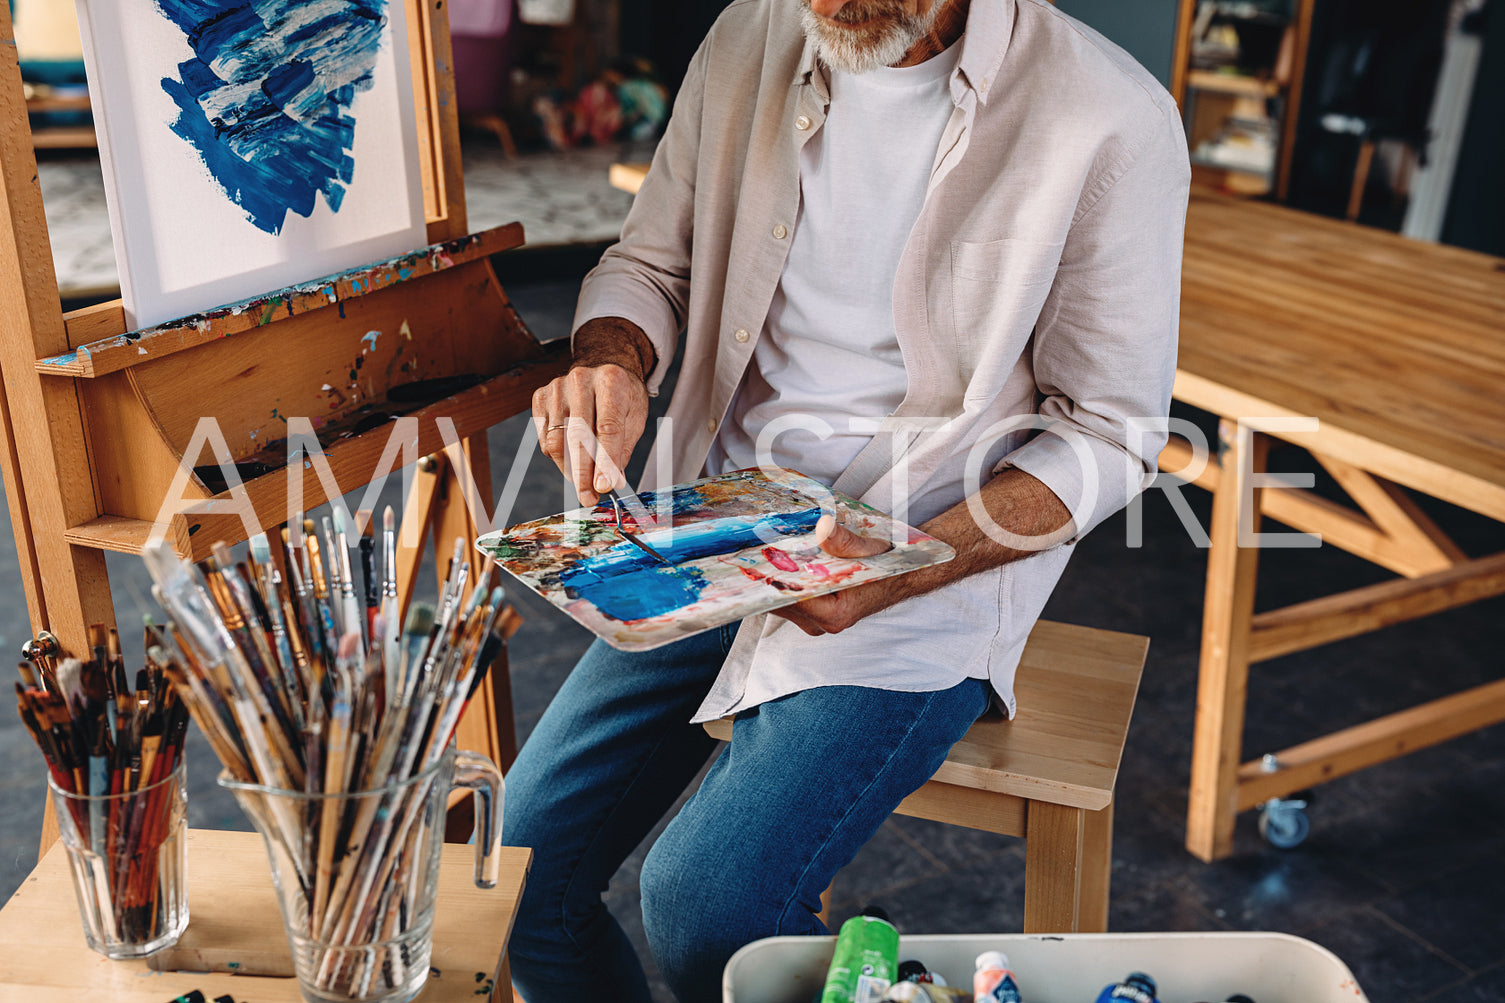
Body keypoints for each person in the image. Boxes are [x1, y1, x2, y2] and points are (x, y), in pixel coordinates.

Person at [505, 0, 1190, 999]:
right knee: (517, 875)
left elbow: (1109, 433)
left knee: (710, 910)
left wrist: (903, 565)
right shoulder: (750, 34)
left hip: (921, 566)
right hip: (715, 529)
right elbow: (650, 263)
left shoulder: (1108, 117)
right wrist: (608, 359)